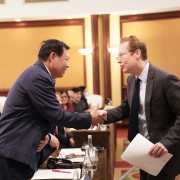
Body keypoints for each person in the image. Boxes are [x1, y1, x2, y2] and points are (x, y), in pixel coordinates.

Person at [0, 39, 104, 180]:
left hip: (19, 153)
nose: (68, 65)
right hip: (14, 154)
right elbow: (57, 115)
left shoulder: (38, 74)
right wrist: (90, 118)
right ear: (53, 56)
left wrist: (47, 136)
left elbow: (39, 115)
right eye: (66, 59)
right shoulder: (38, 77)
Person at [102, 35, 180, 180]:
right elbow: (126, 108)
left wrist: (166, 142)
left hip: (162, 151)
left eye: (121, 55)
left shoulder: (165, 79)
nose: (118, 60)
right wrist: (104, 115)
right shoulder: (132, 79)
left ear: (137, 53)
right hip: (142, 149)